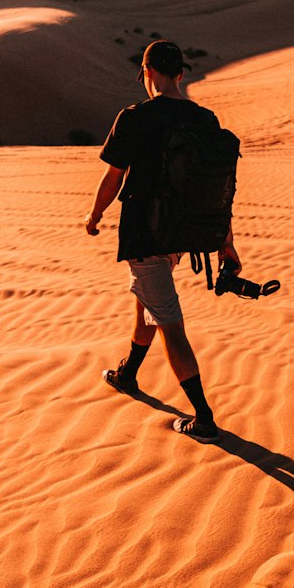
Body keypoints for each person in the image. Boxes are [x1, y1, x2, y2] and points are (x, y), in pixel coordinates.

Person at [85, 38, 240, 440]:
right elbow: (217, 187)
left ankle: (203, 417)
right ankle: (129, 374)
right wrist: (227, 242)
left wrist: (95, 213)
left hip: (145, 234)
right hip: (182, 234)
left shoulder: (134, 117)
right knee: (148, 304)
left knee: (170, 324)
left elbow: (113, 177)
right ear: (181, 74)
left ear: (148, 72)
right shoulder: (204, 119)